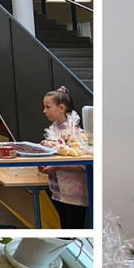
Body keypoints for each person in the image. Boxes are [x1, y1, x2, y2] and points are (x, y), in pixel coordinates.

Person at [39, 87, 89, 229]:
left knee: (73, 231)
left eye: (48, 107)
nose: (44, 111)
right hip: (59, 191)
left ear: (61, 108)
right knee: (65, 229)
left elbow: (82, 165)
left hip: (73, 193)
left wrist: (57, 166)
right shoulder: (54, 129)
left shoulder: (75, 132)